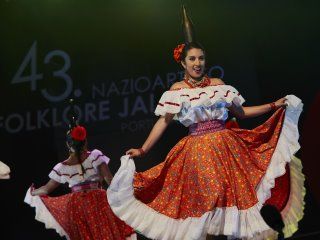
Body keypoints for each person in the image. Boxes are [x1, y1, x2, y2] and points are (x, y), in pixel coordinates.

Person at [106, 6, 305, 240]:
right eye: (192, 59)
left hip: (226, 150)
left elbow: (241, 113)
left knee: (232, 203)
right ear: (183, 63)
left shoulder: (218, 84)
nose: (197, 63)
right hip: (198, 153)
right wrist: (143, 149)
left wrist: (274, 105)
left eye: (201, 58)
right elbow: (163, 122)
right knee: (207, 209)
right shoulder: (177, 91)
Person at [24, 124, 136, 240]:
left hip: (76, 206)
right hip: (98, 201)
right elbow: (110, 180)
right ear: (85, 141)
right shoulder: (95, 156)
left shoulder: (61, 167)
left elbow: (46, 189)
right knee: (104, 233)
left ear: (68, 144)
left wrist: (31, 192)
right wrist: (124, 195)